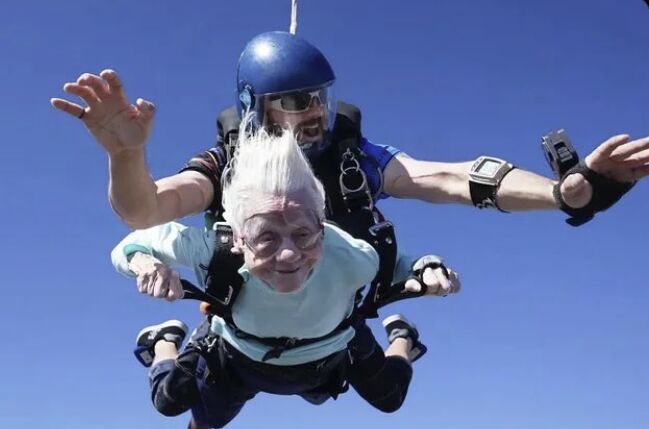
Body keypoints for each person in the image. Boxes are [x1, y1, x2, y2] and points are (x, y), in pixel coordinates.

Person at [50, 31, 649, 237]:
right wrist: (126, 158)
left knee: (380, 391)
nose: (313, 112)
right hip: (245, 320)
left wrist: (564, 193)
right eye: (293, 101)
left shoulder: (351, 158)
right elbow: (147, 210)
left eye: (320, 97)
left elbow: (449, 178)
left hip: (333, 324)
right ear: (254, 109)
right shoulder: (225, 163)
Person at [111, 123, 460, 428]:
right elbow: (130, 245)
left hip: (328, 352)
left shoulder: (353, 255)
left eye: (304, 234)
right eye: (266, 238)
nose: (290, 255)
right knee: (169, 402)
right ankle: (164, 341)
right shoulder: (212, 249)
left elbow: (398, 262)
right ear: (237, 239)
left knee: (390, 398)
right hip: (238, 355)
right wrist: (147, 265)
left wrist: (428, 267)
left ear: (322, 229)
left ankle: (403, 339)